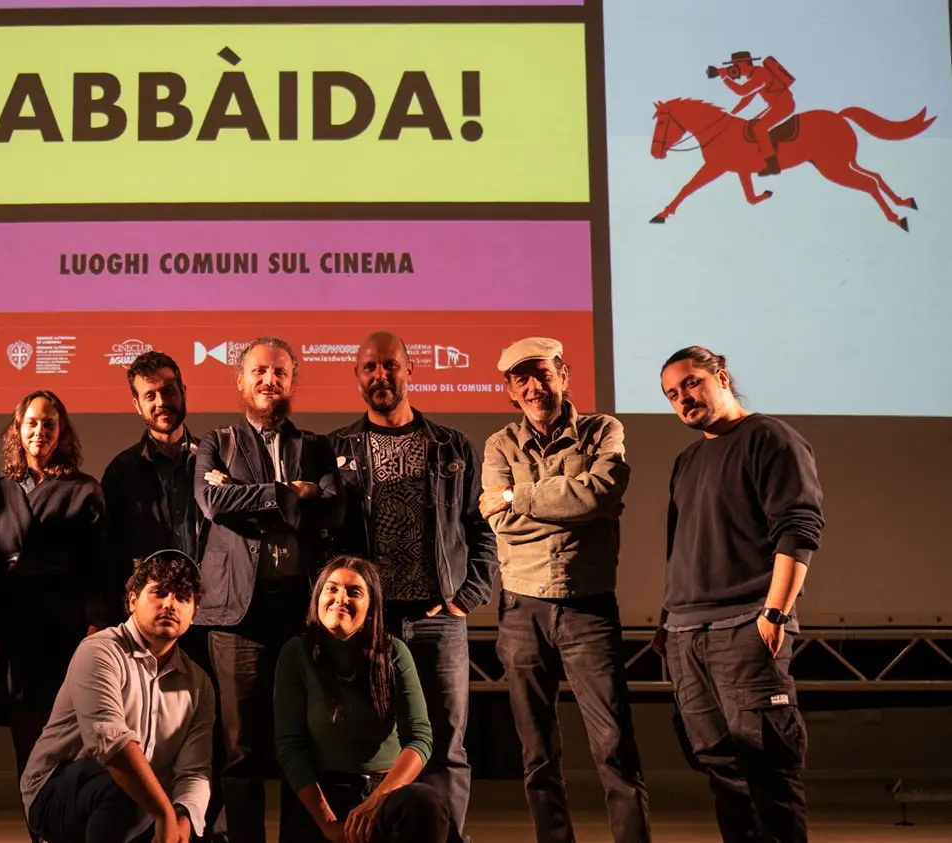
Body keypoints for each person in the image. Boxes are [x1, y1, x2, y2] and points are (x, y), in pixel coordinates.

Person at [479, 337, 651, 843]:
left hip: (588, 607)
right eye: (521, 379)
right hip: (521, 610)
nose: (534, 386)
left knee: (615, 745)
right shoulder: (499, 444)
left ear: (564, 375)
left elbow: (600, 493)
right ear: (510, 390)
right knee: (537, 752)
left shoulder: (603, 430)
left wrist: (520, 496)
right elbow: (499, 521)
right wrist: (566, 510)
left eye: (543, 373)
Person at [329, 331, 497, 843]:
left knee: (446, 745)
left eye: (390, 366)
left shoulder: (450, 445)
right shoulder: (336, 448)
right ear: (357, 377)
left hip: (437, 619)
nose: (380, 376)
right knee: (376, 744)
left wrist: (465, 598)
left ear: (409, 370)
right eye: (369, 368)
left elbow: (480, 526)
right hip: (368, 624)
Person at [656, 346, 823, 843]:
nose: (682, 398)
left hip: (745, 627)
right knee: (722, 774)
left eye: (690, 383)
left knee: (767, 771)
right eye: (670, 394)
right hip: (687, 635)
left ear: (721, 377)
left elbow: (798, 528)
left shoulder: (770, 438)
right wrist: (666, 624)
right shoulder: (687, 460)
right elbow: (679, 547)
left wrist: (775, 611)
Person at [194, 336, 342, 843]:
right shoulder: (217, 441)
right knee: (240, 749)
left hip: (302, 613)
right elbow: (212, 502)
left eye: (279, 372)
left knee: (302, 744)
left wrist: (247, 498)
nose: (268, 381)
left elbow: (332, 508)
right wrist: (287, 493)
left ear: (293, 383)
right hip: (239, 616)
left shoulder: (318, 446)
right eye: (258, 371)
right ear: (240, 381)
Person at [0, 389, 108, 806]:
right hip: (12, 628)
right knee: (25, 740)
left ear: (61, 431)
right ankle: (37, 826)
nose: (40, 430)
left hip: (63, 627)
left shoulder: (84, 489)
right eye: (32, 422)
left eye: (49, 423)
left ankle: (66, 823)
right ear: (18, 430)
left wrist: (95, 623)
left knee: (65, 736)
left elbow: (98, 563)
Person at [22, 550, 215, 843]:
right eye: (159, 593)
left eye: (181, 598)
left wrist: (181, 821)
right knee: (129, 792)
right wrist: (163, 813)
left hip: (142, 806)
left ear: (194, 610)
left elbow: (194, 771)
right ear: (133, 601)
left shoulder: (199, 683)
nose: (169, 604)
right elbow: (110, 744)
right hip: (57, 791)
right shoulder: (99, 651)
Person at [274, 555, 451, 843]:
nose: (339, 598)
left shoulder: (394, 652)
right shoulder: (295, 654)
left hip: (387, 790)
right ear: (317, 599)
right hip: (326, 794)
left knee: (424, 803)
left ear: (371, 608)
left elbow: (420, 738)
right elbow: (289, 746)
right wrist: (328, 823)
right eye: (331, 589)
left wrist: (377, 800)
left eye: (354, 592)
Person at [101, 350, 204, 636]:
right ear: (137, 405)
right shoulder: (120, 472)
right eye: (150, 396)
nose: (161, 403)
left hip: (209, 617)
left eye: (168, 391)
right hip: (147, 622)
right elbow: (109, 555)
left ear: (183, 392)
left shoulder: (215, 460)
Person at [711, 51, 795, 176]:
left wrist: (725, 77)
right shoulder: (753, 76)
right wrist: (731, 114)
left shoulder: (760, 74)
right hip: (774, 106)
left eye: (736, 64)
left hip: (784, 105)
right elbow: (747, 99)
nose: (735, 68)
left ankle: (772, 165)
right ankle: (761, 157)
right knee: (751, 126)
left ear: (744, 63)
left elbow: (743, 91)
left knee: (759, 128)